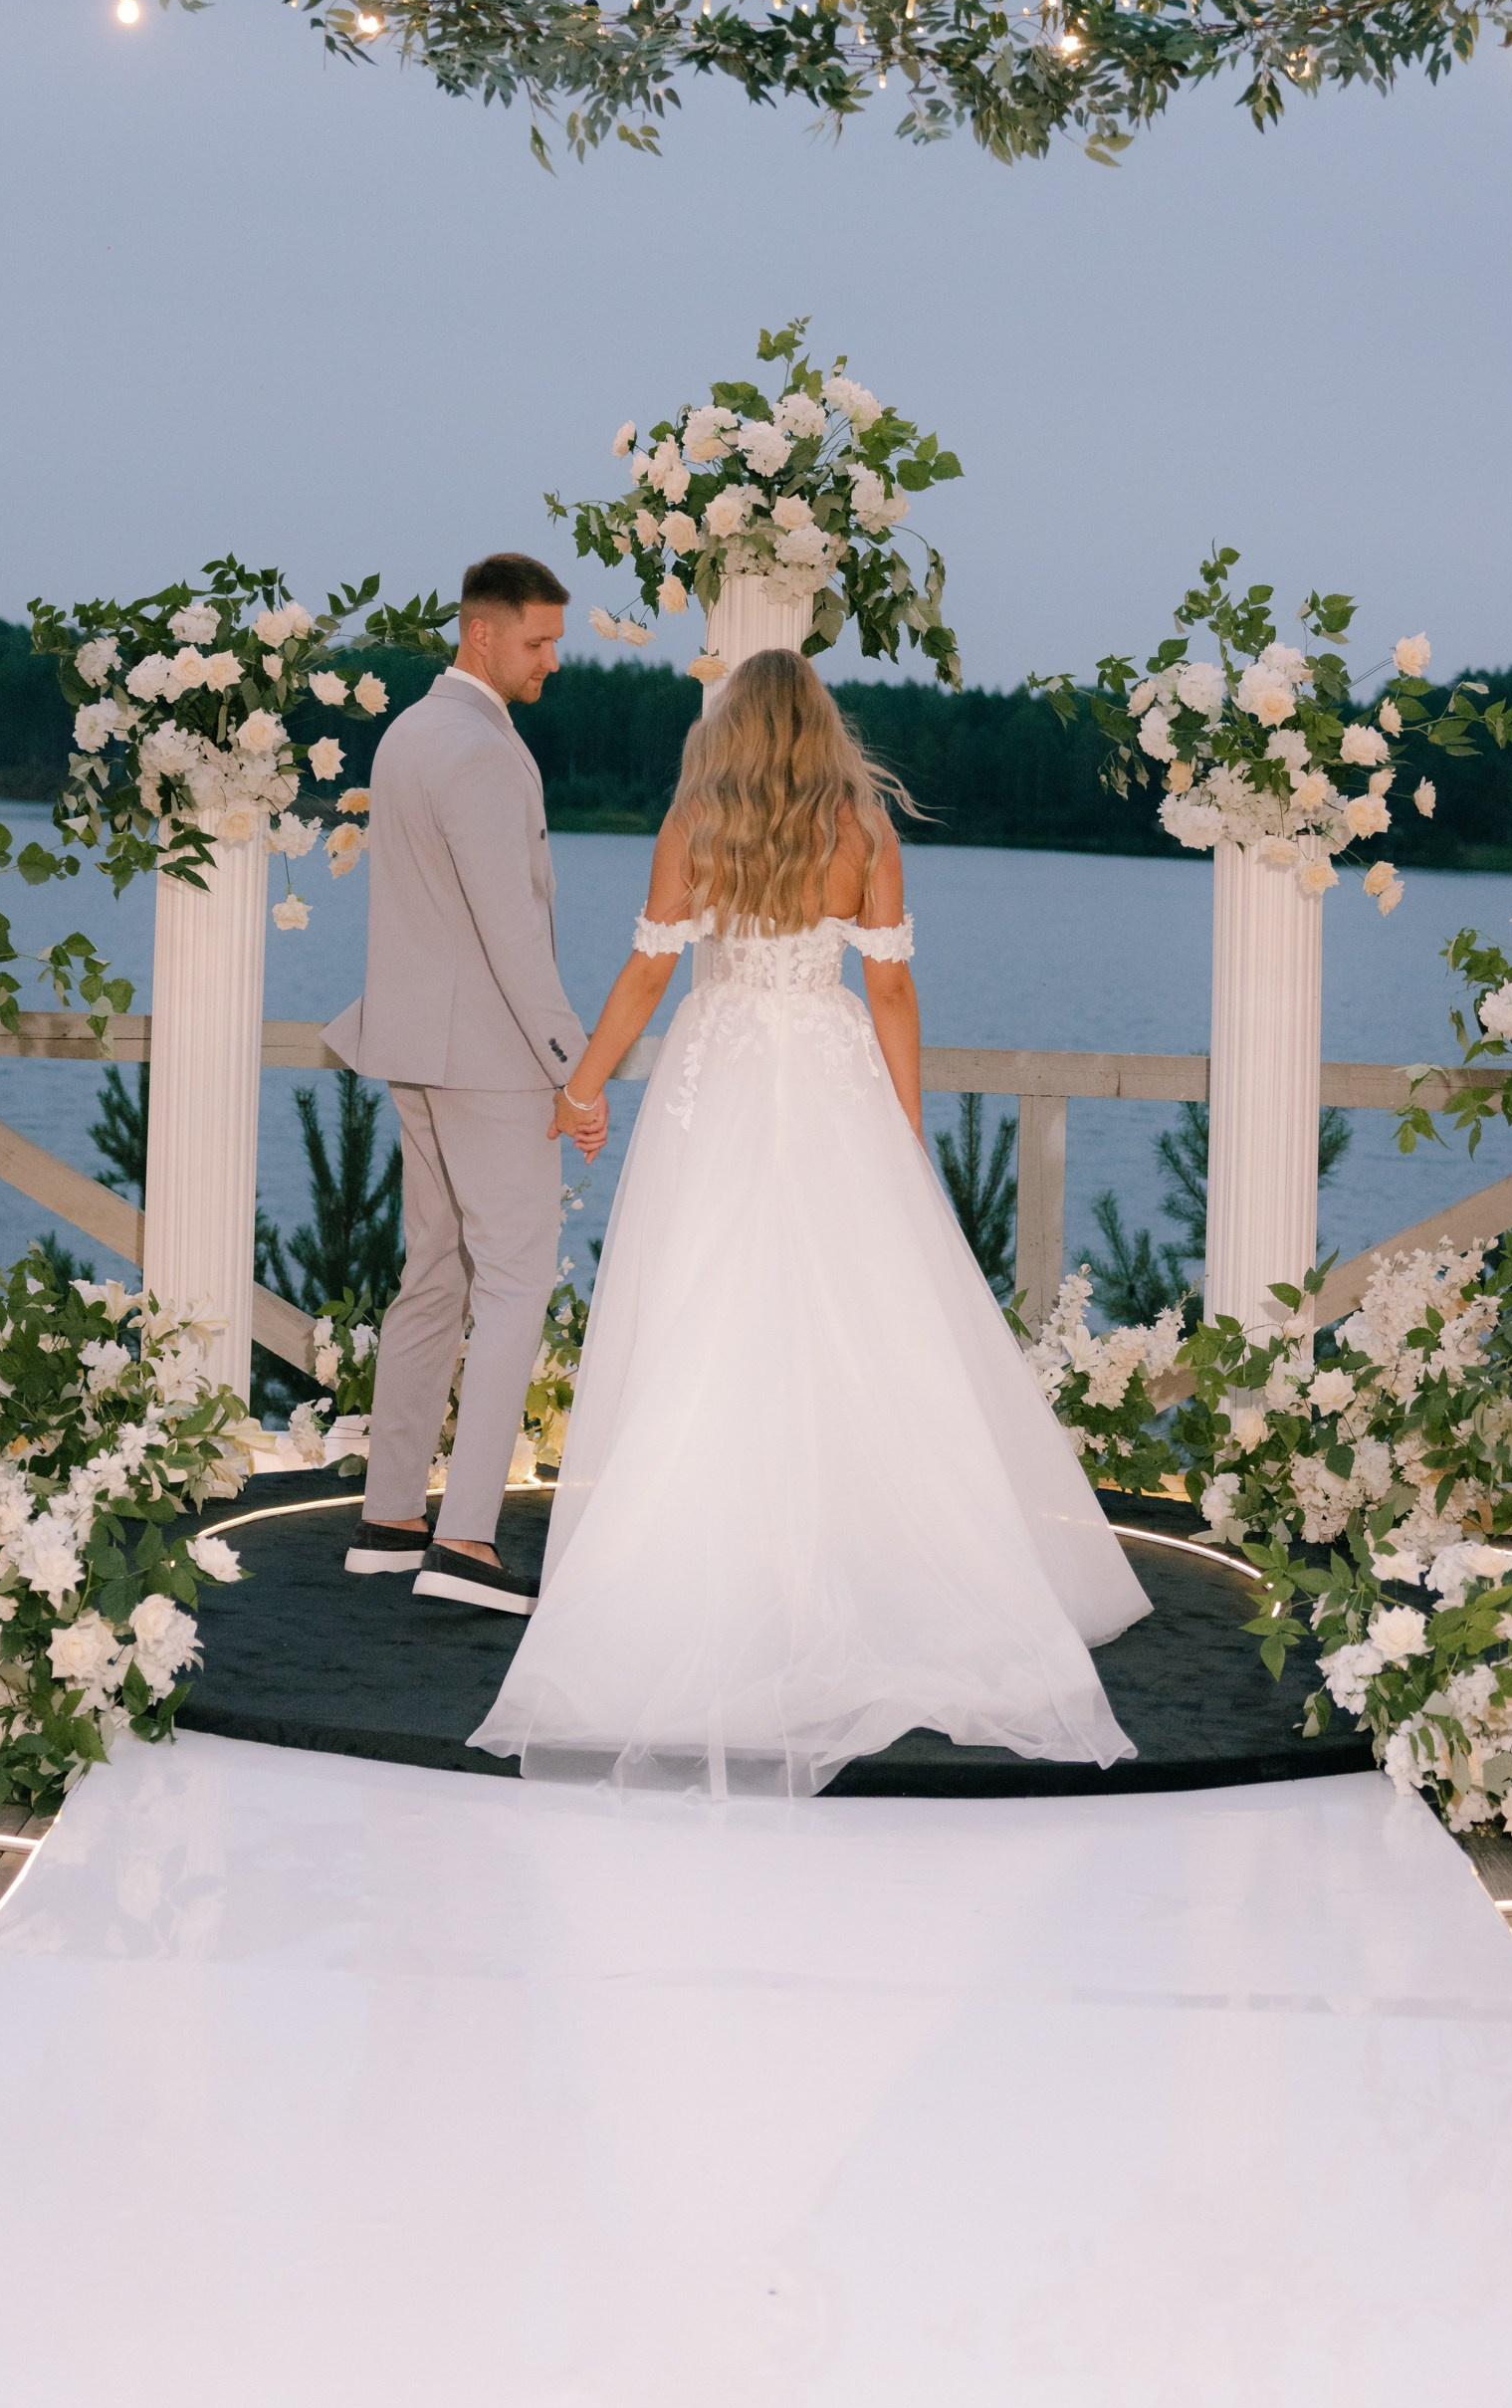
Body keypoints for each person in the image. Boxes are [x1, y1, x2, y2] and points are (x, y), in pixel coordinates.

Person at [472, 646, 1150, 1793]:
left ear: (731, 724)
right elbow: (889, 987)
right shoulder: (864, 828)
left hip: (725, 1068)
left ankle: (706, 1572)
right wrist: (907, 1129)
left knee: (710, 1313)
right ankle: (880, 1562)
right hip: (831, 1074)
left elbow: (645, 975)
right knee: (867, 1325)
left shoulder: (697, 818)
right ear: (822, 724)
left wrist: (583, 1086)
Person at [324, 553, 607, 1614]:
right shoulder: (484, 752)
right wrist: (573, 1069)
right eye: (538, 642)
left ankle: (391, 1518)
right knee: (514, 1280)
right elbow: (512, 929)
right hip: (486, 1060)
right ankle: (467, 1543)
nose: (551, 662)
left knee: (433, 1272)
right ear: (482, 635)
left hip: (414, 1050)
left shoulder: (406, 732)